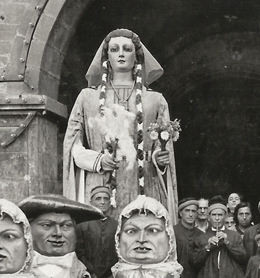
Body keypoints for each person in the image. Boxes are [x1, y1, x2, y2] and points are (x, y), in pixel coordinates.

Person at [63, 28, 178, 221]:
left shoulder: (155, 100)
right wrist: (98, 160)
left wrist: (160, 158)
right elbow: (72, 145)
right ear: (107, 55)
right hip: (100, 182)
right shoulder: (87, 97)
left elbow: (162, 147)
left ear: (137, 56)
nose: (122, 54)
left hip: (143, 181)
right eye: (115, 49)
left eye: (127, 49)